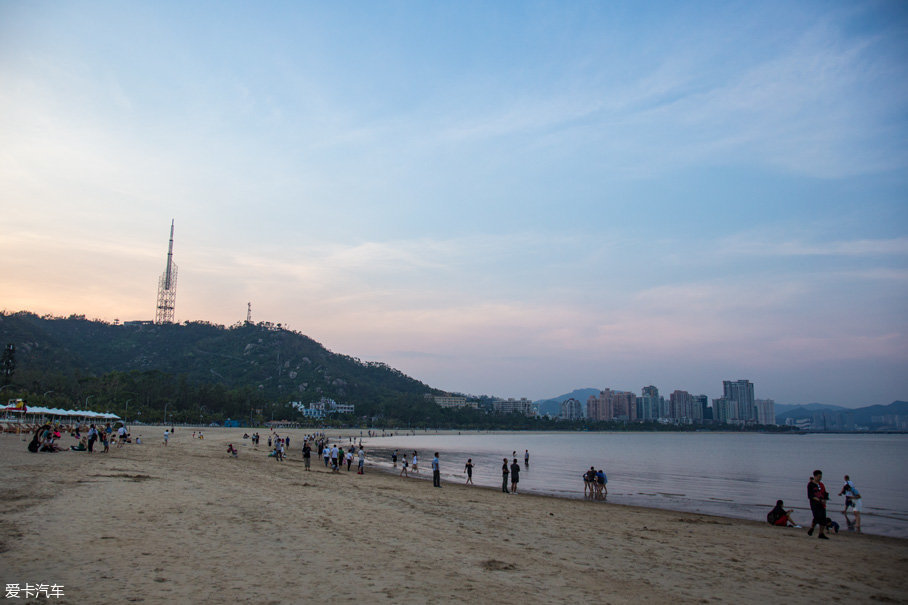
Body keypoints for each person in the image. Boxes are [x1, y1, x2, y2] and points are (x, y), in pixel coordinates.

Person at [807, 470, 830, 539]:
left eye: (821, 477)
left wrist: (825, 499)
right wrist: (819, 500)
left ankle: (821, 533)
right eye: (819, 477)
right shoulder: (810, 484)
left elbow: (824, 493)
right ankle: (812, 528)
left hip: (822, 503)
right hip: (814, 504)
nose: (820, 478)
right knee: (817, 517)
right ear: (815, 476)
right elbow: (810, 495)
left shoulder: (821, 484)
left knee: (823, 518)